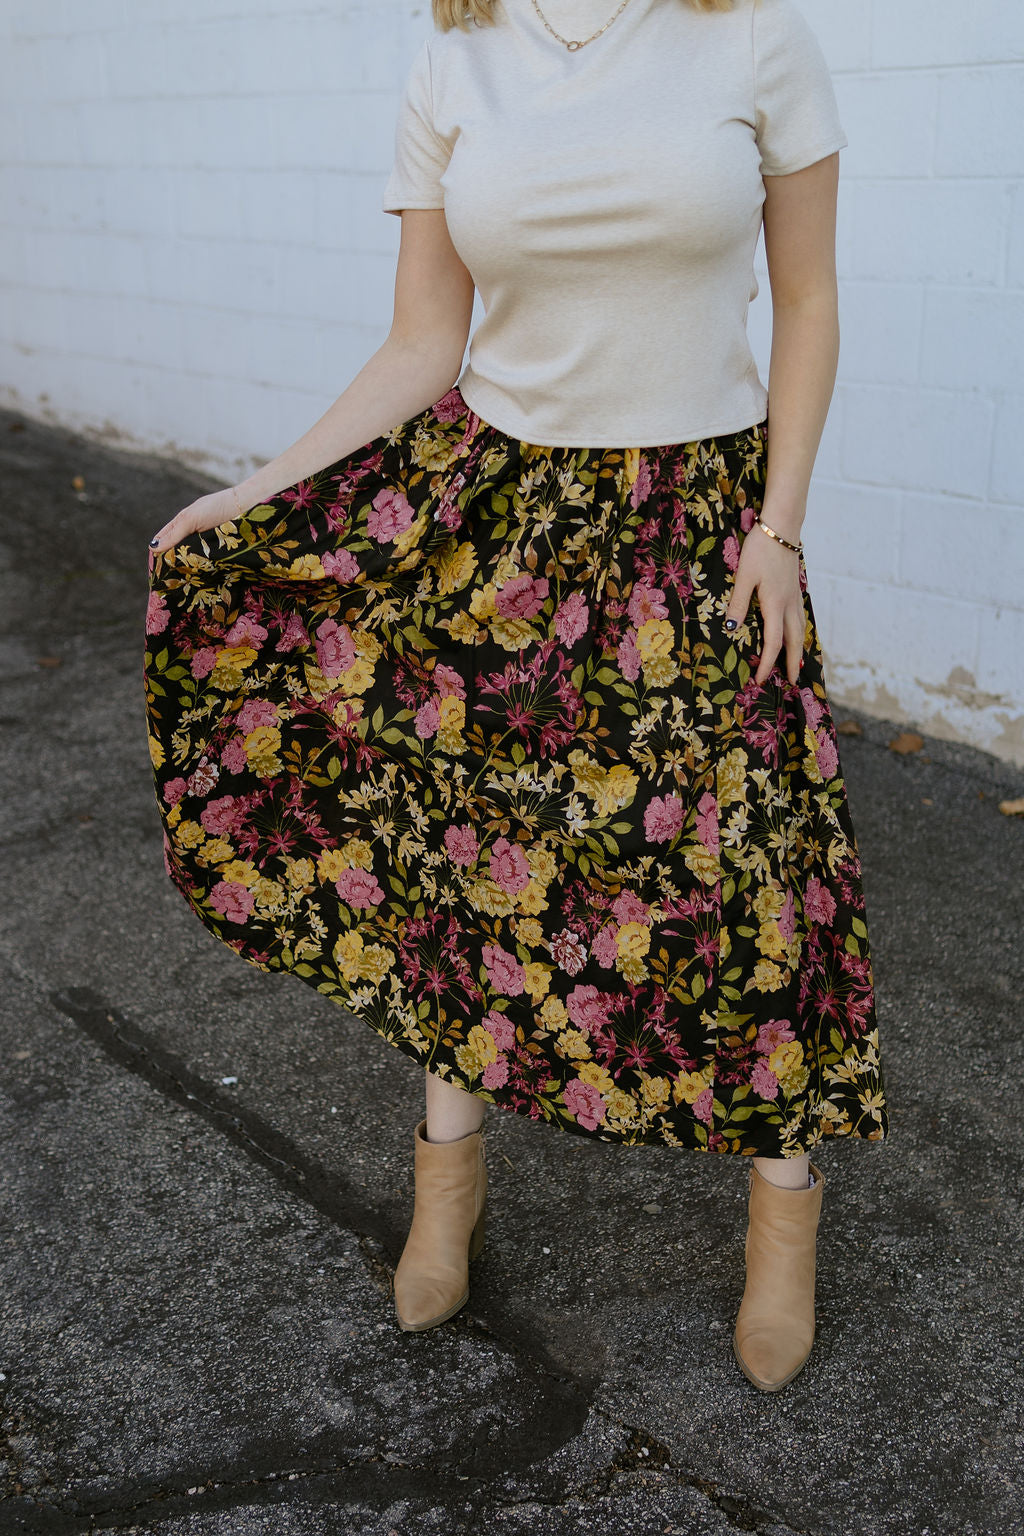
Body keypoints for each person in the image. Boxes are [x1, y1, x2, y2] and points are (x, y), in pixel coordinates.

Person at [145, 0, 889, 1393]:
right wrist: (258, 492)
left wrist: (780, 528)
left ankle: (782, 1218)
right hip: (496, 523)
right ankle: (448, 1184)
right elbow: (423, 339)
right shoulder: (453, 56)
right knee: (464, 861)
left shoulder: (753, 38)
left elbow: (811, 300)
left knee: (745, 869)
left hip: (700, 529)